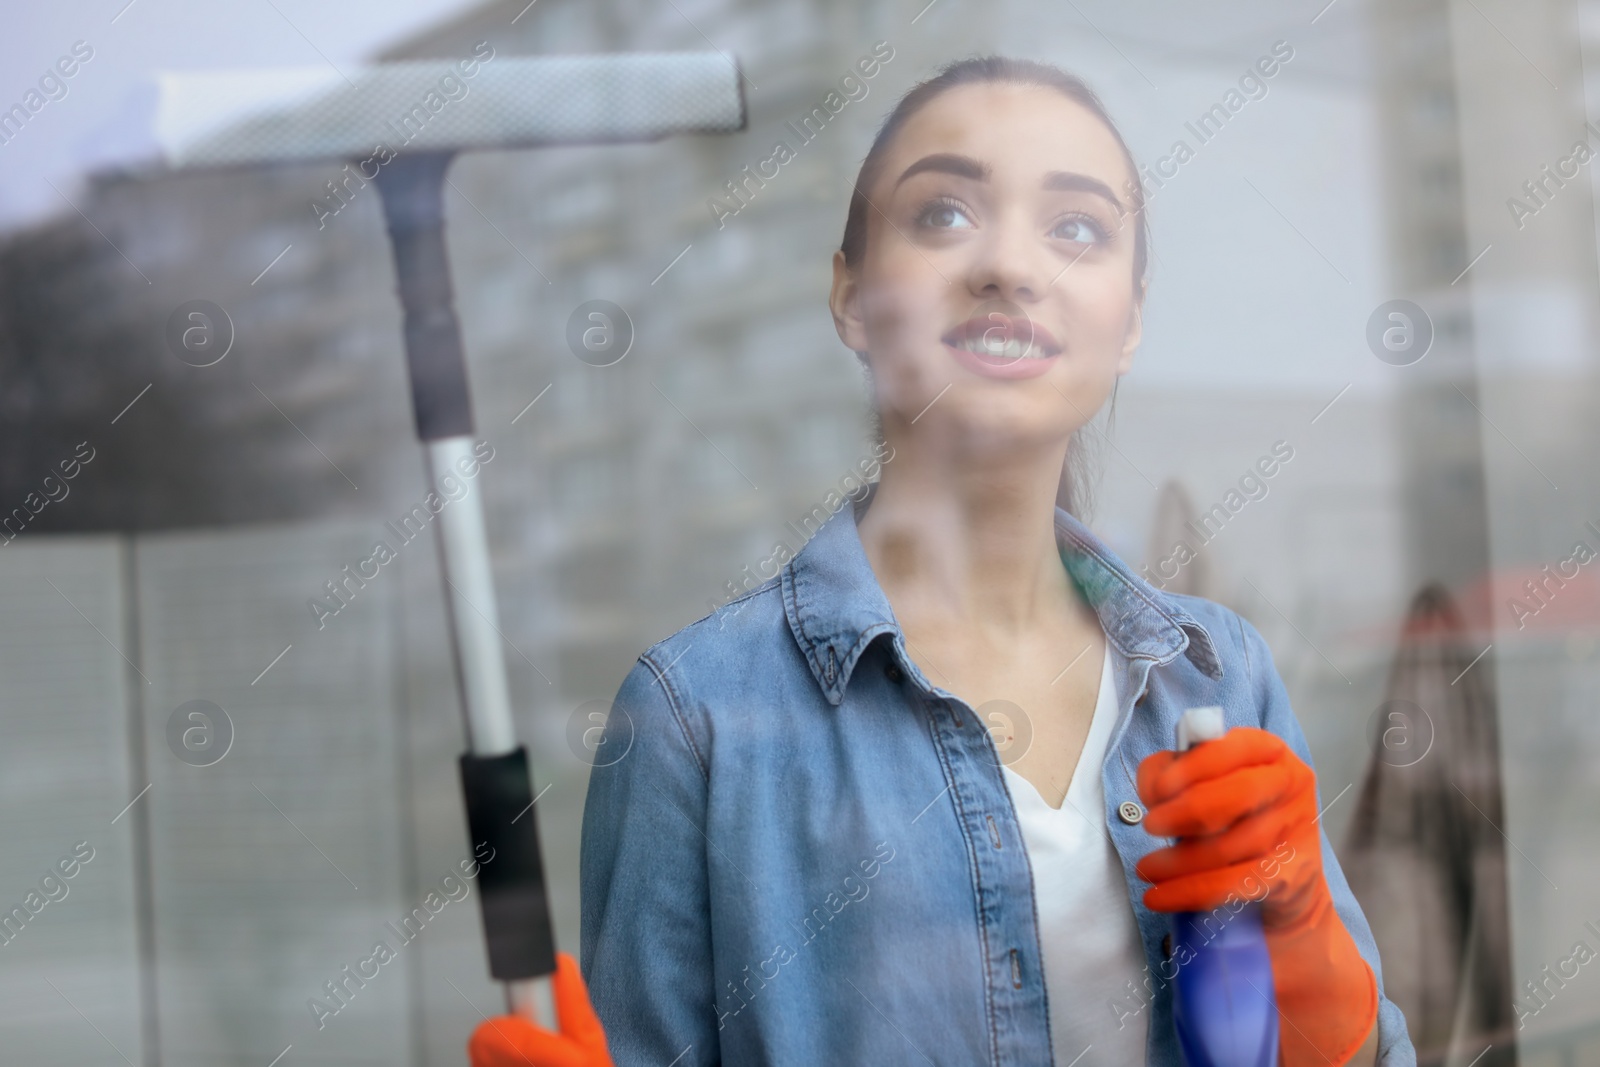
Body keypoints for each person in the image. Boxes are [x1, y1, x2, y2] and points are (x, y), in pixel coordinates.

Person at [471, 56, 1414, 1066]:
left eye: (1077, 228)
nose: (1009, 265)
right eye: (943, 215)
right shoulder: (694, 715)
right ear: (850, 294)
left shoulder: (1218, 670)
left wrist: (1306, 943)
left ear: (1129, 321)